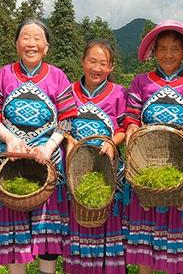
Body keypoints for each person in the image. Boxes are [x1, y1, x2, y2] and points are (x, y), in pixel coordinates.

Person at [0, 19, 77, 274]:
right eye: (25, 38)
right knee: (14, 227)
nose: (31, 43)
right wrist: (10, 139)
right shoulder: (4, 74)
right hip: (11, 159)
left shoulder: (57, 76)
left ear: (46, 47)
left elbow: (68, 120)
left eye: (37, 39)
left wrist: (48, 148)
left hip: (46, 159)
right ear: (16, 44)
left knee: (46, 228)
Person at [123, 19, 183, 274]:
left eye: (174, 49)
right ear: (154, 53)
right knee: (145, 239)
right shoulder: (141, 81)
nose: (168, 54)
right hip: (148, 163)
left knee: (179, 240)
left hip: (182, 164)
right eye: (162, 49)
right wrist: (130, 127)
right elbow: (131, 115)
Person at [63, 39, 127, 274]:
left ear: (111, 68)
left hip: (106, 169)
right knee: (79, 223)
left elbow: (124, 126)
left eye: (103, 63)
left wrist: (111, 142)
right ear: (82, 62)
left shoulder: (119, 92)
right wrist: (69, 141)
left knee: (107, 225)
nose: (97, 68)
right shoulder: (69, 91)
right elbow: (63, 123)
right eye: (92, 61)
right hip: (77, 171)